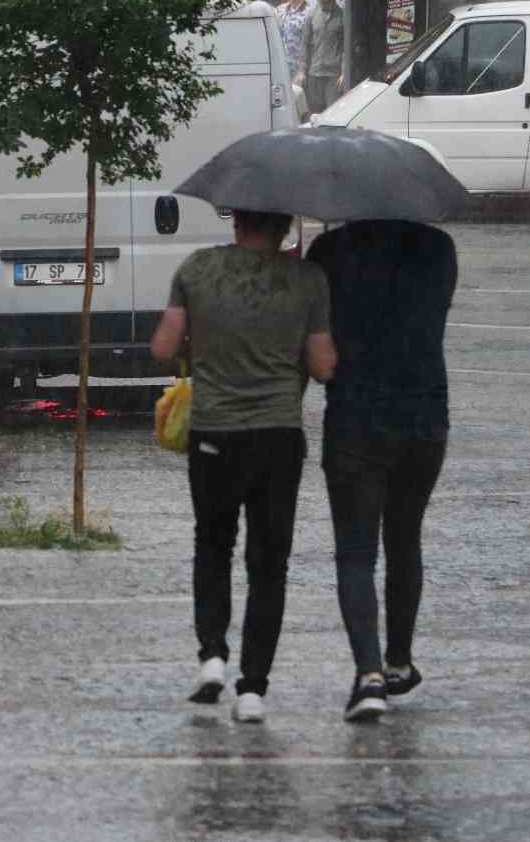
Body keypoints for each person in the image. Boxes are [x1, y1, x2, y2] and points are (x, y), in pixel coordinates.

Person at [150, 211, 337, 725]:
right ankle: (253, 688)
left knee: (212, 544)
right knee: (268, 562)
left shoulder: (197, 269)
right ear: (284, 226)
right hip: (278, 437)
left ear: (236, 220)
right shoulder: (307, 279)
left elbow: (164, 347)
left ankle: (212, 656)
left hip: (213, 434)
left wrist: (200, 347)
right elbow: (323, 368)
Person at [305, 220, 457, 723]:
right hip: (424, 419)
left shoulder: (329, 251)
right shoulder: (439, 248)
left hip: (355, 420)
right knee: (405, 538)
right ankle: (398, 660)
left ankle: (368, 675)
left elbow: (314, 339)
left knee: (355, 551)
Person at [298, 0, 345, 116]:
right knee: (314, 115)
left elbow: (345, 48)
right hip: (314, 73)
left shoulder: (343, 16)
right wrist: (302, 71)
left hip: (334, 76)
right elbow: (304, 44)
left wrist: (344, 72)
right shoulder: (311, 15)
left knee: (333, 115)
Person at [275, 0, 311, 86]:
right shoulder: (279, 11)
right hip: (282, 66)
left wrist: (302, 70)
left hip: (301, 69)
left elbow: (311, 44)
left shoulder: (310, 12)